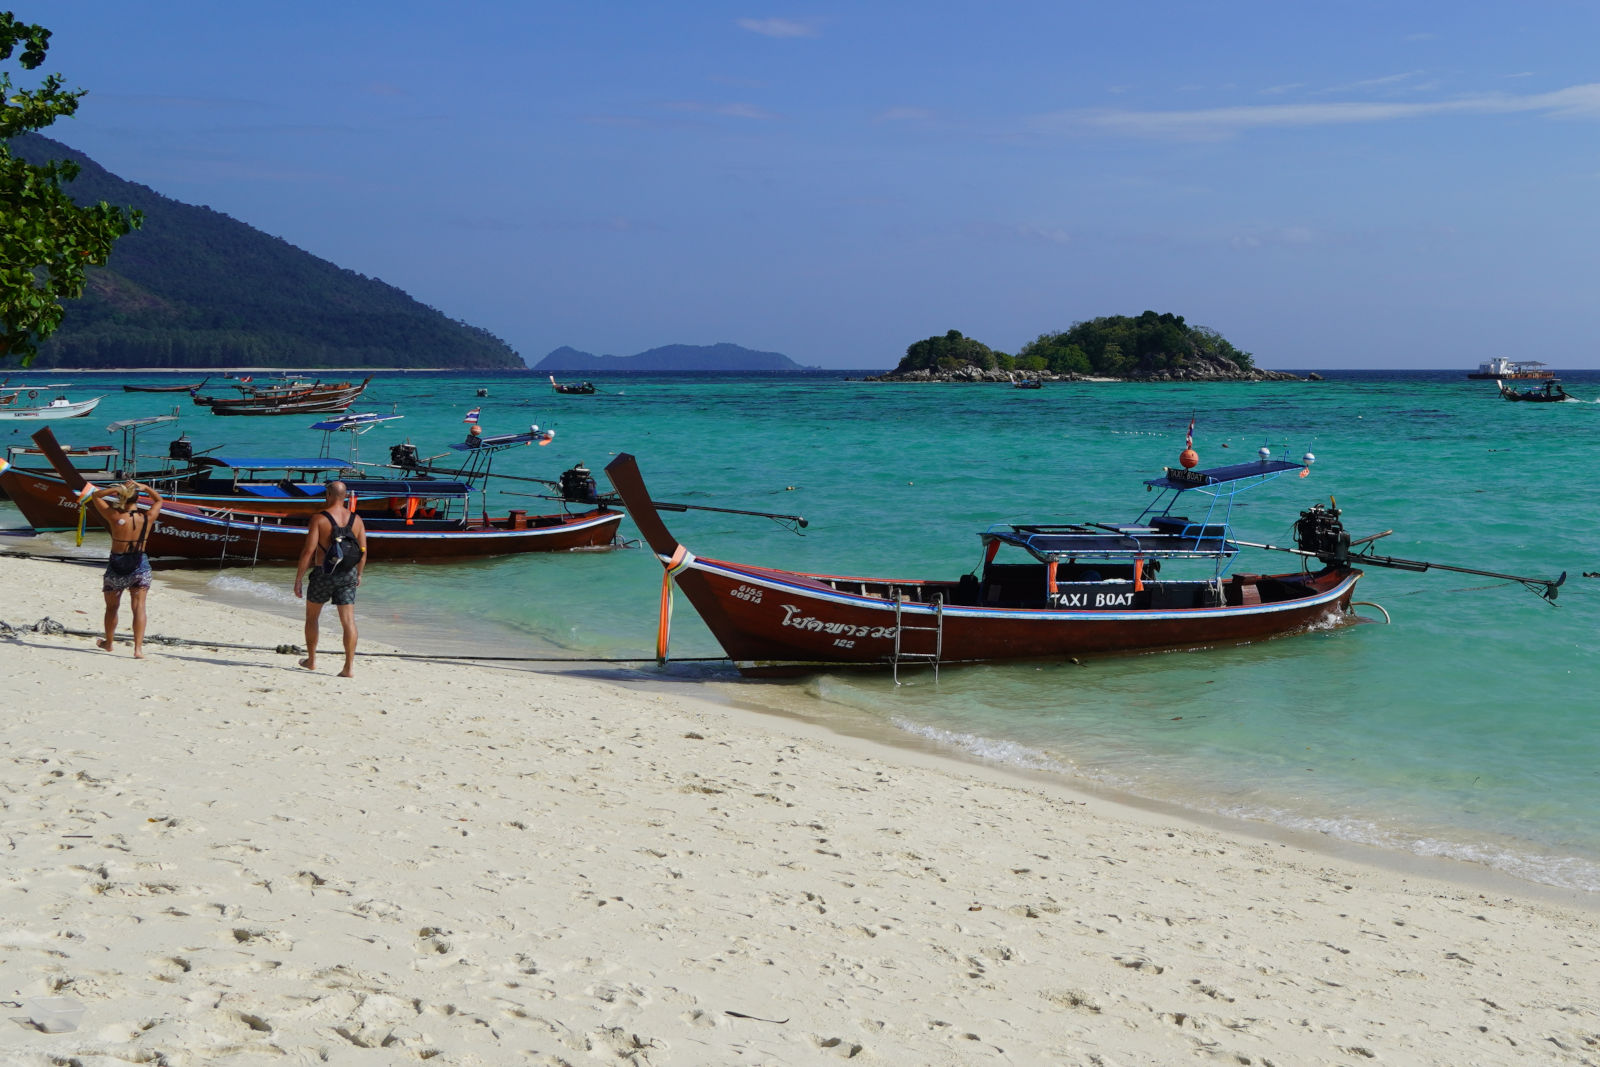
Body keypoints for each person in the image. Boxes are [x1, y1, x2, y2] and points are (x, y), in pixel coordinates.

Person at [293, 481, 368, 678]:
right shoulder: (357, 520)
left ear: (328, 494)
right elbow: (363, 551)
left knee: (312, 618)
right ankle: (349, 667)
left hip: (323, 573)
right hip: (348, 573)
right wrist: (359, 574)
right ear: (345, 497)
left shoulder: (319, 518)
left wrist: (299, 579)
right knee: (348, 621)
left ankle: (311, 660)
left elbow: (308, 551)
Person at [89, 480, 164, 658]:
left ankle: (108, 643)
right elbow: (159, 501)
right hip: (140, 564)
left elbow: (94, 496)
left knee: (112, 607)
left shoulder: (114, 516)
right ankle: (138, 649)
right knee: (139, 607)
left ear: (121, 498)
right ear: (138, 498)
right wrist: (146, 488)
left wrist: (115, 489)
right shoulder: (147, 517)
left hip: (117, 564)